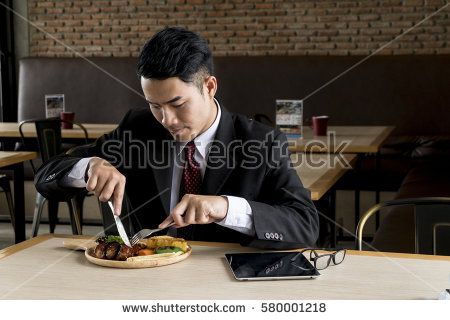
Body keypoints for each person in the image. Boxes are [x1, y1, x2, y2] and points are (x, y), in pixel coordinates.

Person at [35, 27, 319, 249]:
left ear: (209, 87)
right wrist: (87, 167)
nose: (166, 120)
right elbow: (46, 177)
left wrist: (224, 207)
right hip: (142, 282)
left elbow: (305, 225)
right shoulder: (139, 128)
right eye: (155, 105)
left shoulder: (262, 142)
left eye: (178, 104)